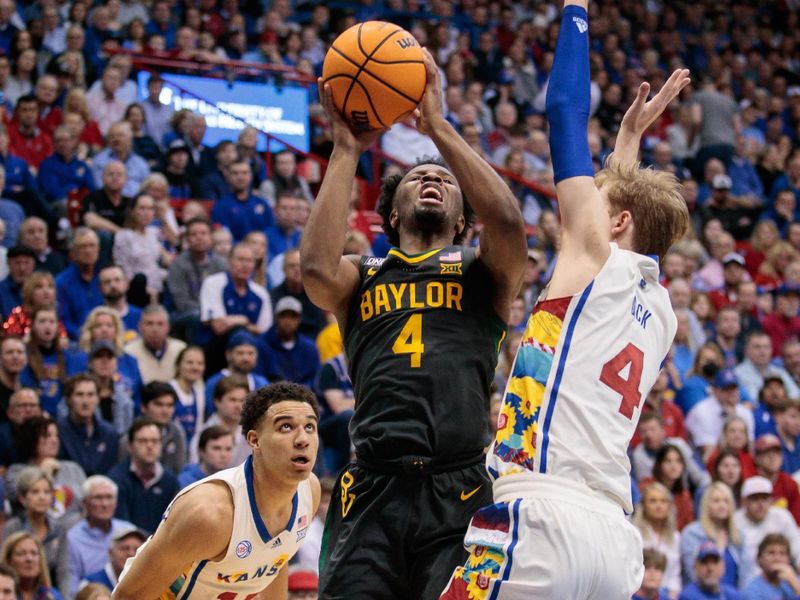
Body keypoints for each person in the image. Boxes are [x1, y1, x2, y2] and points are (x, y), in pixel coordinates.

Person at [440, 3, 690, 598]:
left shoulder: (595, 255)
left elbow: (562, 110)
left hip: (541, 516)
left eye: (595, 201)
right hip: (612, 539)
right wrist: (628, 139)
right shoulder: (661, 311)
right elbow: (625, 211)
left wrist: (575, 9)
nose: (578, 209)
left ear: (617, 221)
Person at [304, 41, 527, 600]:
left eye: (447, 182)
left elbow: (505, 218)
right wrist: (346, 148)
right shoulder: (361, 273)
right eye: (417, 178)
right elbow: (313, 271)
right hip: (373, 486)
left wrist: (438, 129)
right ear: (393, 213)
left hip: (460, 487)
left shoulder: (482, 270)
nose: (433, 179)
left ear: (461, 224)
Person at [112, 382, 321, 599]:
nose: (303, 440)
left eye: (309, 427)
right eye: (285, 427)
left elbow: (277, 556)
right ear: (254, 440)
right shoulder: (209, 513)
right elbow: (129, 596)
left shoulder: (310, 492)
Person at [1, 467, 69, 596]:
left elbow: (64, 571)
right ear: (22, 498)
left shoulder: (59, 529)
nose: (42, 497)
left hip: (47, 591)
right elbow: (5, 566)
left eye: (47, 492)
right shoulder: (13, 527)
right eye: (35, 492)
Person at [107, 416, 180, 534]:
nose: (150, 446)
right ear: (130, 446)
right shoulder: (116, 479)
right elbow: (120, 525)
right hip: (128, 545)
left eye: (155, 441)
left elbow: (173, 524)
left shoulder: (170, 481)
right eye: (143, 441)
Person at [65, 476, 135, 597]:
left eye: (109, 497)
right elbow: (69, 587)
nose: (104, 504)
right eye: (98, 498)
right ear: (84, 503)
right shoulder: (72, 537)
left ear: (116, 502)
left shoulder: (129, 530)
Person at [5, 416, 86, 519]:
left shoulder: (73, 468)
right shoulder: (16, 471)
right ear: (31, 438)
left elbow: (86, 503)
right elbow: (20, 498)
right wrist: (42, 471)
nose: (54, 440)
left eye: (56, 436)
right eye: (47, 436)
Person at [681, 482, 750, 589]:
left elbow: (745, 576)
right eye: (716, 501)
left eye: (726, 501)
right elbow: (692, 573)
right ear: (706, 504)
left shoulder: (739, 536)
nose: (722, 506)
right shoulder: (692, 533)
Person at [117, 382, 186, 475]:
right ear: (143, 407)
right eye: (159, 404)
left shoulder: (177, 433)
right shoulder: (129, 437)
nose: (165, 411)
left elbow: (180, 470)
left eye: (170, 405)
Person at [57, 374, 118, 476]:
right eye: (79, 395)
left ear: (98, 399)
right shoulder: (57, 431)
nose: (85, 401)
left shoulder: (110, 433)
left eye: (91, 395)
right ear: (68, 399)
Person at [55, 228, 103, 340]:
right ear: (72, 253)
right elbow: (61, 320)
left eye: (92, 246)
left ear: (98, 249)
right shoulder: (61, 283)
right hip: (76, 342)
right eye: (82, 247)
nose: (88, 251)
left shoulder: (106, 277)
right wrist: (86, 336)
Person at [262, 296, 320, 387]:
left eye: (293, 317)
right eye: (283, 316)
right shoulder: (262, 343)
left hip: (302, 396)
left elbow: (314, 378)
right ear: (276, 318)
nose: (288, 321)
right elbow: (259, 377)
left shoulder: (309, 347)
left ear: (299, 320)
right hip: (270, 396)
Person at [122, 305, 185, 384]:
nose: (155, 329)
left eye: (160, 324)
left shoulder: (181, 349)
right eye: (149, 324)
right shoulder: (128, 352)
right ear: (140, 327)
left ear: (168, 327)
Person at [0, 531, 64, 600]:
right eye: (21, 553)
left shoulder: (52, 596)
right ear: (9, 561)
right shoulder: (3, 594)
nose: (29, 559)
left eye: (34, 553)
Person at [80, 527, 145, 592]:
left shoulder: (146, 583)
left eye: (136, 550)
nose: (131, 554)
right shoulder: (89, 585)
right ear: (110, 553)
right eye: (125, 548)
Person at [741, 534, 800, 599]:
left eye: (782, 553)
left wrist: (796, 586)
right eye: (771, 553)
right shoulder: (752, 592)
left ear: (789, 559)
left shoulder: (794, 581)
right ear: (759, 558)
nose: (777, 558)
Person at [168, 345, 205, 444]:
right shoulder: (168, 390)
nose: (195, 367)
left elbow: (198, 429)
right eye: (189, 362)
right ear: (178, 365)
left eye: (200, 363)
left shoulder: (199, 394)